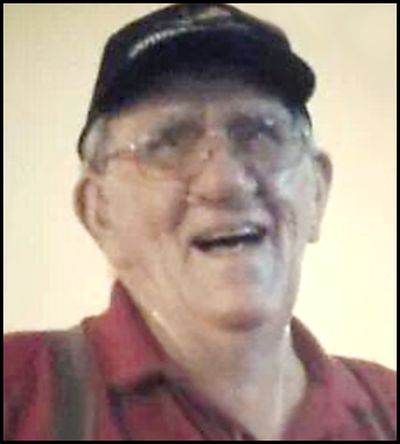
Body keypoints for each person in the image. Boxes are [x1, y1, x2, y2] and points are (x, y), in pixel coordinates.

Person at [4, 4, 396, 441]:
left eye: (259, 133)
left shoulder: (389, 405)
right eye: (167, 142)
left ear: (317, 193)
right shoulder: (18, 394)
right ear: (101, 212)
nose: (225, 181)